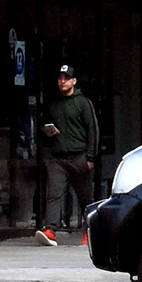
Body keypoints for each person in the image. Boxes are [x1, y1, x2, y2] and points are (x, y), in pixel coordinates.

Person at [36, 64, 100, 246]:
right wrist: (46, 131)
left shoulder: (83, 103)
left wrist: (90, 157)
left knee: (85, 197)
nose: (62, 81)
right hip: (58, 157)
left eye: (66, 78)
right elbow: (44, 124)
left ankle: (91, 231)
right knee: (54, 193)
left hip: (79, 156)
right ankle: (50, 230)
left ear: (74, 81)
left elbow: (93, 130)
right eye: (60, 78)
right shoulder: (53, 104)